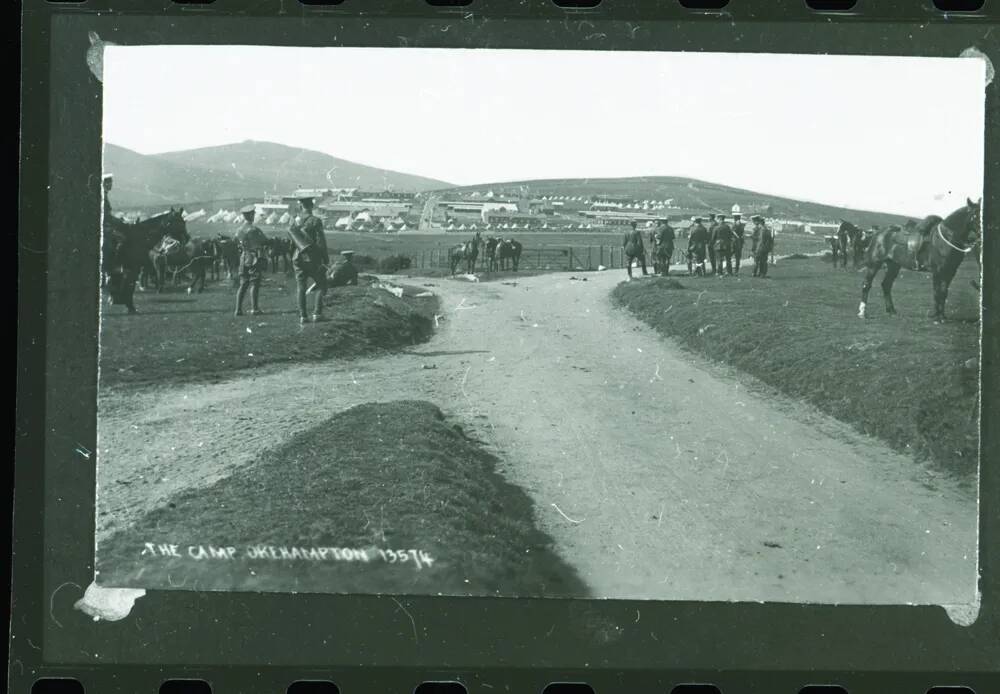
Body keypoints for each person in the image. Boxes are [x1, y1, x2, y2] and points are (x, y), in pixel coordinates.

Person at [288, 195, 329, 324]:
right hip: (313, 259)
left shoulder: (293, 221)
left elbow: (291, 243)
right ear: (312, 206)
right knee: (322, 284)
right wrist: (325, 258)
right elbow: (321, 241)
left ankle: (303, 316)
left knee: (301, 287)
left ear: (300, 206)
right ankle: (317, 313)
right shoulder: (316, 221)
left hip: (297, 257)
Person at [234, 205, 269, 316]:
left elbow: (237, 242)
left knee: (243, 284)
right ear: (250, 215)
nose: (254, 216)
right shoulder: (254, 230)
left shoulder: (239, 230)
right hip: (253, 258)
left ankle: (238, 310)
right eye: (253, 214)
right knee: (255, 283)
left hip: (243, 257)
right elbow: (264, 241)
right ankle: (254, 309)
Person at [101, 173, 128, 300]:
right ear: (104, 183)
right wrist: (119, 222)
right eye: (108, 183)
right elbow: (106, 216)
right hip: (104, 228)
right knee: (121, 239)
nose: (110, 185)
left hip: (106, 226)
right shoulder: (102, 196)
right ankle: (113, 266)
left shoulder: (104, 195)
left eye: (111, 182)